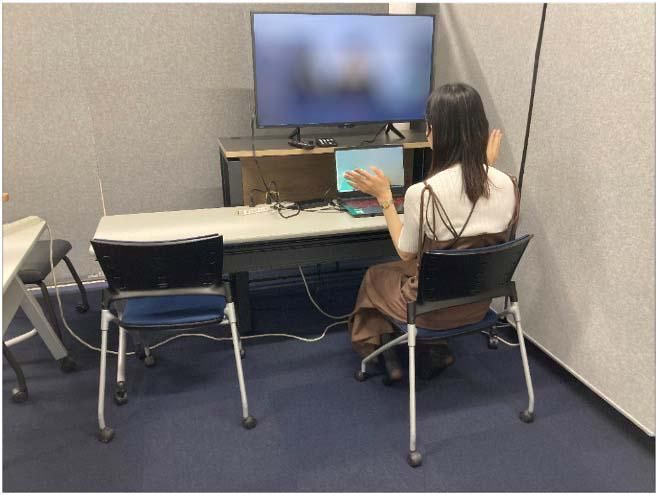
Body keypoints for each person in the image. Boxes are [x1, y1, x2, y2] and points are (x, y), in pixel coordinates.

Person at [344, 83, 520, 381]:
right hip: (478, 306)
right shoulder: (509, 184)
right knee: (415, 270)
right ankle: (430, 350)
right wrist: (486, 164)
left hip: (429, 312)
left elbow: (405, 252)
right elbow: (479, 231)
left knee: (376, 276)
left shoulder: (423, 193)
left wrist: (384, 198)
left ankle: (382, 353)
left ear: (435, 131)